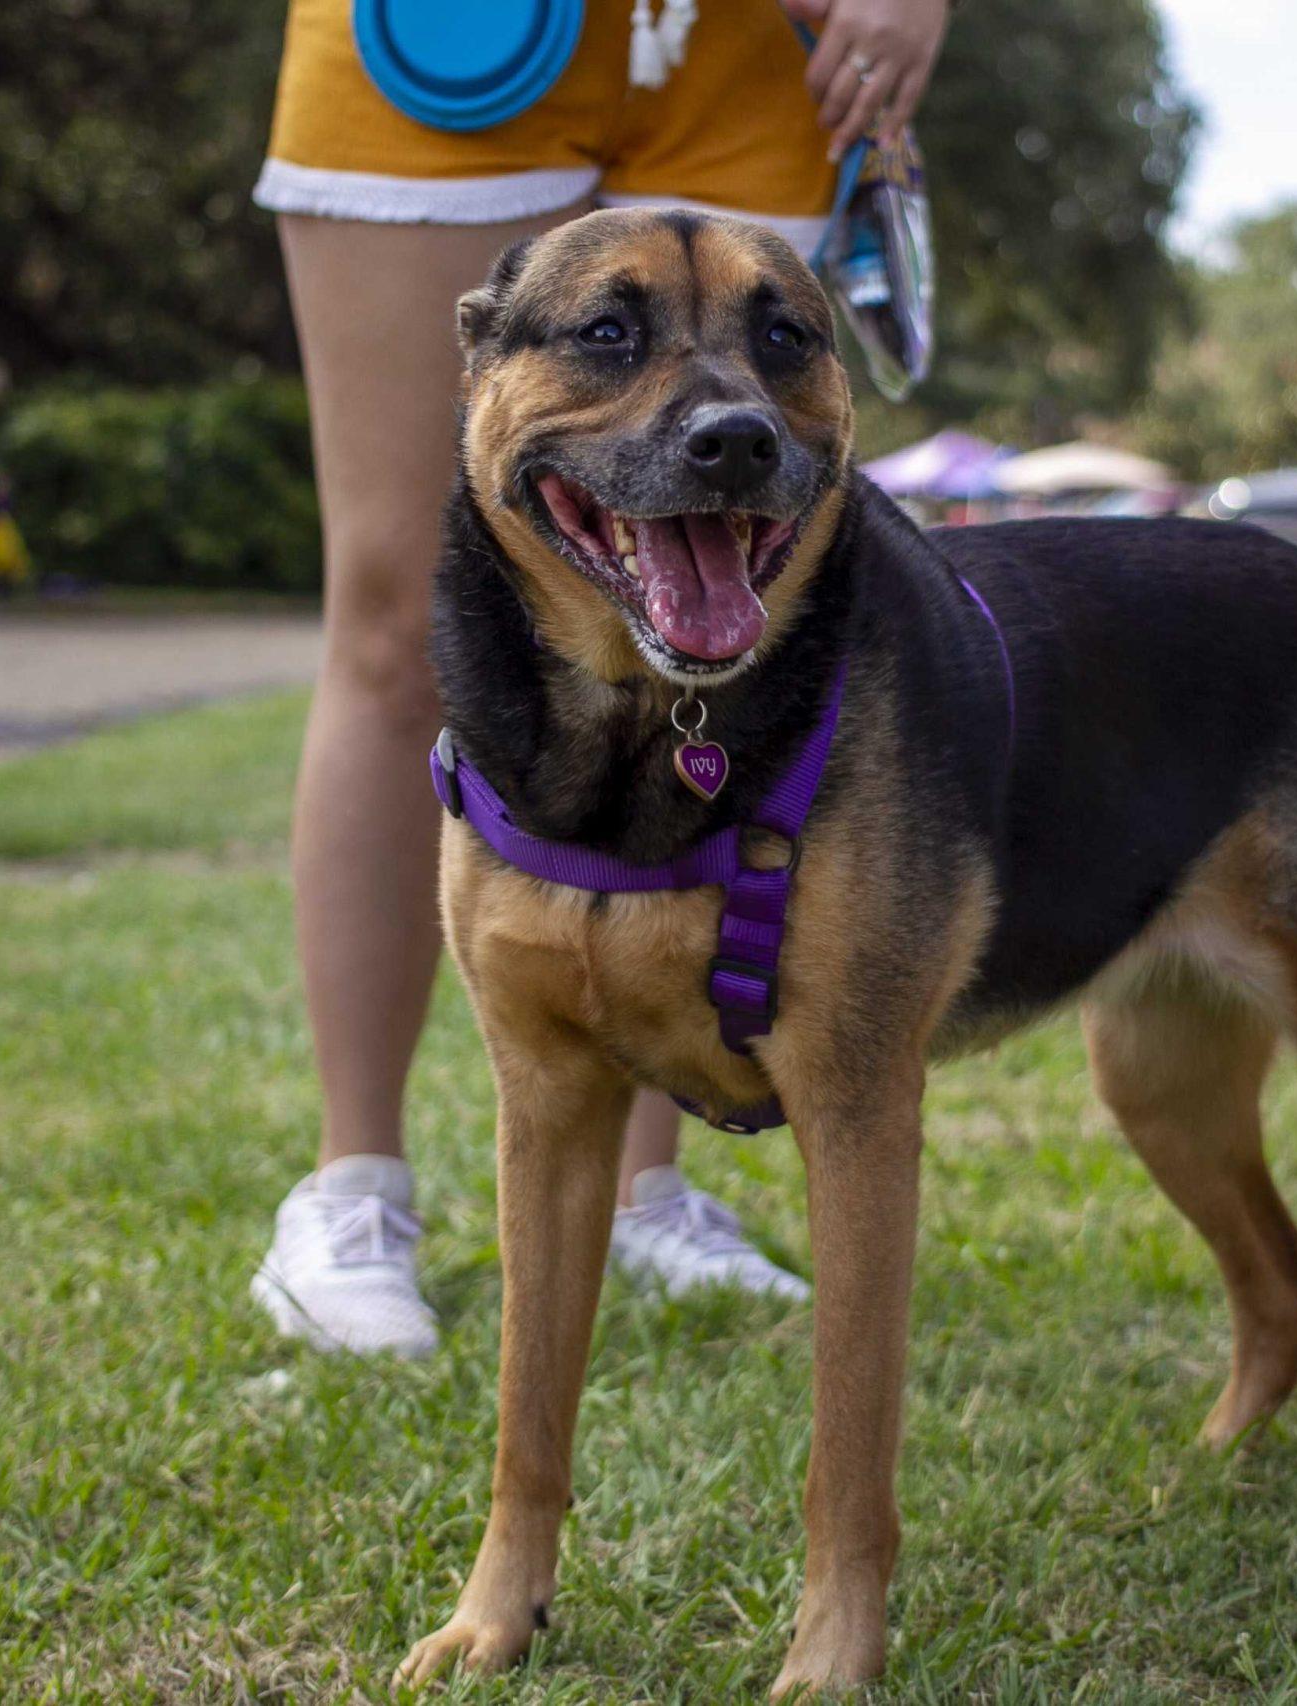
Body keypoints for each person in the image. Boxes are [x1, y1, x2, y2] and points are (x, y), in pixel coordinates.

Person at [245, 0, 950, 1356]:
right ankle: (352, 1194)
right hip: (447, 35)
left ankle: (644, 1189)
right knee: (396, 612)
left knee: (696, 586)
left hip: (758, 49)